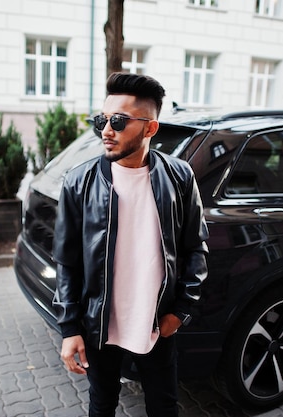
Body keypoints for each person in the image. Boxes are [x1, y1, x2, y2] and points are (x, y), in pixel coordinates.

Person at [52, 72, 209, 417]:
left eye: (119, 121)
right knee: (102, 404)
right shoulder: (80, 181)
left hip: (157, 320)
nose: (106, 130)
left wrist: (180, 312)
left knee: (164, 406)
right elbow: (68, 261)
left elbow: (195, 248)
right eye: (102, 120)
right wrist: (70, 328)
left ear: (150, 128)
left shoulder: (179, 177)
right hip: (100, 325)